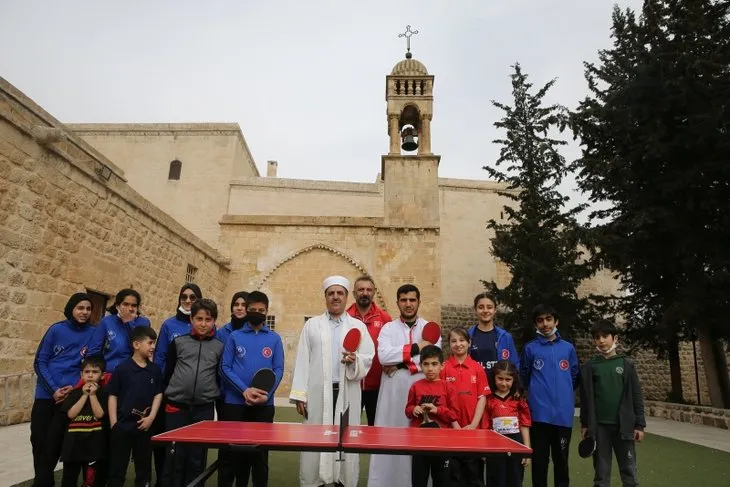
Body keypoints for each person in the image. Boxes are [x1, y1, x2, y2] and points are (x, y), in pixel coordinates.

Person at [290, 275, 374, 487]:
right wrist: (300, 394)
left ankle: (342, 481)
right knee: (314, 438)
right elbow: (303, 360)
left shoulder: (358, 327)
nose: (335, 297)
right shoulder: (312, 325)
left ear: (347, 297)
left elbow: (368, 357)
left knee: (346, 439)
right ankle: (313, 481)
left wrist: (355, 360)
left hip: (347, 393)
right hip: (318, 393)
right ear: (325, 297)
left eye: (340, 293)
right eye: (331, 293)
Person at [367, 284, 440, 487]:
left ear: (418, 302)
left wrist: (399, 363)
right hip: (392, 391)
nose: (408, 304)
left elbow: (432, 359)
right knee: (390, 435)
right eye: (404, 300)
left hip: (421, 388)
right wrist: (418, 347)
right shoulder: (388, 329)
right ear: (398, 302)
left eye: (412, 300)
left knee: (421, 438)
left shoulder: (430, 328)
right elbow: (383, 356)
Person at [219, 291, 284, 487]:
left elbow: (278, 369)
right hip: (234, 404)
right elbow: (225, 367)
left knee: (259, 457)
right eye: (253, 310)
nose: (257, 313)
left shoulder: (274, 339)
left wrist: (266, 395)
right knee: (231, 456)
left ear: (266, 311)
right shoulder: (235, 336)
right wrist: (244, 390)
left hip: (264, 406)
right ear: (247, 310)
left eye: (261, 310)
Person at [32, 292, 96, 487]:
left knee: (56, 446)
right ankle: (44, 482)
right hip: (46, 396)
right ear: (71, 309)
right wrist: (54, 390)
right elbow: (40, 362)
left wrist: (74, 389)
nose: (84, 312)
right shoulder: (56, 330)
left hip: (72, 398)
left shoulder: (94, 333)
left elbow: (93, 366)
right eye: (80, 308)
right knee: (39, 442)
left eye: (88, 309)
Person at [162, 298, 224, 487]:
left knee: (197, 456)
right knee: (175, 455)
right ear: (191, 320)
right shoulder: (179, 343)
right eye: (199, 319)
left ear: (214, 321)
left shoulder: (218, 346)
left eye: (208, 319)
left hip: (203, 409)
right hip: (176, 407)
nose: (203, 324)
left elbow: (217, 376)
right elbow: (169, 371)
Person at [579, 320, 645, 487]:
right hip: (599, 428)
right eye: (597, 337)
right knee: (601, 473)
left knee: (629, 471)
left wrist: (639, 425)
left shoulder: (627, 364)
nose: (601, 340)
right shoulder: (590, 366)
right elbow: (586, 399)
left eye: (605, 336)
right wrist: (585, 423)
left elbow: (636, 395)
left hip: (624, 426)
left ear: (615, 338)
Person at [519, 304, 579, 487]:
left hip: (562, 417)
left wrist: (563, 397)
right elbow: (524, 377)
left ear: (556, 321)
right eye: (540, 320)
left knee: (561, 463)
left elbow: (574, 377)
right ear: (535, 324)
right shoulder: (530, 349)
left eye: (548, 319)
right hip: (539, 417)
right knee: (540, 464)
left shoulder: (568, 349)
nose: (545, 324)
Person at [152, 283, 203, 485]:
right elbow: (160, 358)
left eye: (192, 297)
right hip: (173, 395)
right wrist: (163, 387)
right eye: (184, 297)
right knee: (172, 445)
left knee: (195, 449)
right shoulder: (169, 325)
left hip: (198, 399)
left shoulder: (206, 325)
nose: (188, 301)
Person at [107, 326, 164, 487]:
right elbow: (113, 395)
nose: (153, 347)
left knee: (144, 469)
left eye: (154, 343)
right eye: (150, 343)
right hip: (122, 427)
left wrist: (151, 417)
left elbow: (158, 394)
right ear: (136, 344)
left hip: (144, 428)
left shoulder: (155, 370)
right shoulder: (122, 369)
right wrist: (114, 423)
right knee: (117, 469)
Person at [441, 327, 490, 487]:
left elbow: (482, 398)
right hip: (451, 431)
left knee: (474, 476)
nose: (458, 344)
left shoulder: (477, 368)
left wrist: (474, 424)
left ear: (469, 343)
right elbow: (443, 401)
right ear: (449, 345)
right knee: (453, 478)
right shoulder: (444, 368)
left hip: (473, 432)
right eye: (453, 341)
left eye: (462, 340)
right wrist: (455, 424)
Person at [405, 345, 459, 487]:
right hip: (419, 443)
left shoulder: (449, 387)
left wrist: (437, 410)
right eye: (426, 364)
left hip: (442, 443)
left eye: (434, 364)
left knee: (441, 481)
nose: (430, 368)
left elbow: (454, 415)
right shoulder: (415, 386)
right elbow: (407, 410)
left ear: (442, 366)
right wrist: (414, 409)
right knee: (419, 481)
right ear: (421, 366)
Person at [346, 275, 392, 426]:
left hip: (377, 385)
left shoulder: (385, 318)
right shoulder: (345, 317)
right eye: (361, 290)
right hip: (352, 384)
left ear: (373, 292)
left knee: (376, 428)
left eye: (368, 290)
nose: (365, 293)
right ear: (354, 293)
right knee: (348, 428)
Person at [60, 355, 108, 487]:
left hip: (94, 445)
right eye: (87, 372)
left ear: (102, 375)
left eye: (95, 372)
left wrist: (92, 395)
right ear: (81, 374)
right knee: (69, 479)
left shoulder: (104, 394)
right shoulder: (74, 393)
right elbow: (71, 414)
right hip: (73, 445)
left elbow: (100, 414)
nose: (90, 375)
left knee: (93, 481)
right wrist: (84, 395)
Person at [484, 360, 532, 487]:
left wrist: (526, 449)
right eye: (500, 378)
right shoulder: (489, 399)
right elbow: (486, 426)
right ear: (493, 377)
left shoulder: (518, 399)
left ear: (514, 380)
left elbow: (524, 424)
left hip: (515, 443)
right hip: (494, 445)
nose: (503, 383)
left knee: (515, 479)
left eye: (508, 379)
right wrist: (484, 450)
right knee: (495, 479)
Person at [88, 288, 151, 373]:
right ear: (118, 306)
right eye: (125, 304)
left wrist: (130, 323)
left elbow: (141, 350)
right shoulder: (107, 322)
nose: (130, 308)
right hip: (110, 372)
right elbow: (94, 350)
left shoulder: (143, 323)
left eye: (134, 305)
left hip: (134, 372)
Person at [468, 293, 519, 384]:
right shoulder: (468, 336)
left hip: (499, 390)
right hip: (474, 389)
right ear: (475, 310)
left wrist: (517, 388)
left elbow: (515, 366)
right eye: (481, 307)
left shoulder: (505, 337)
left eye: (489, 307)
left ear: (495, 310)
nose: (485, 310)